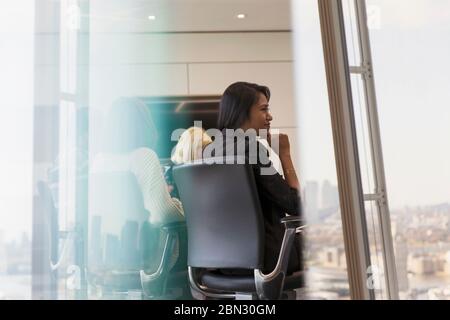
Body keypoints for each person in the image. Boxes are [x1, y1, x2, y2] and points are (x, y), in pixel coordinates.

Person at [216, 81, 303, 275]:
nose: (269, 116)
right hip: (267, 258)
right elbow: (296, 205)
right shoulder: (251, 148)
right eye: (264, 109)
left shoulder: (210, 150)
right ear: (242, 112)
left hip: (224, 262)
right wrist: (285, 155)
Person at [90, 97, 184, 273]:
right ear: (144, 124)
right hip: (147, 256)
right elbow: (162, 213)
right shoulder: (143, 156)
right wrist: (181, 206)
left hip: (108, 255)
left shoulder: (99, 160)